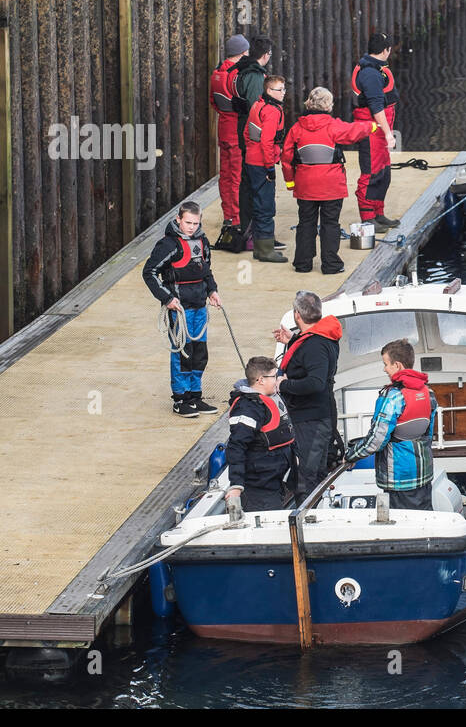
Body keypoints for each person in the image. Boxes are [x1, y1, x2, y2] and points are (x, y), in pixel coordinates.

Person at [280, 87, 377, 274]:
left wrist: (290, 181)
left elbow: (286, 157)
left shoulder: (297, 128)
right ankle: (331, 265)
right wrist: (372, 126)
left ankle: (303, 264)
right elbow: (353, 131)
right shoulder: (333, 126)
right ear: (327, 105)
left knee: (305, 223)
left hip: (306, 184)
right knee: (330, 223)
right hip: (331, 185)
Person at [142, 201, 223, 417]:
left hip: (199, 306)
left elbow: (206, 270)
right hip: (179, 308)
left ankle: (195, 396)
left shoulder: (203, 241)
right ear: (179, 219)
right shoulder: (168, 245)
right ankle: (180, 399)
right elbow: (149, 272)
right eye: (188, 222)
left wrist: (212, 291)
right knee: (183, 353)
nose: (192, 227)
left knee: (199, 352)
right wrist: (167, 298)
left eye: (196, 223)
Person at [343, 338, 438, 511]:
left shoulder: (393, 397)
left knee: (402, 527)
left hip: (399, 478)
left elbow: (376, 440)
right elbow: (429, 433)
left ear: (398, 365)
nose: (384, 369)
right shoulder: (428, 393)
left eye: (386, 364)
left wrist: (351, 456)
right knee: (424, 523)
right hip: (424, 474)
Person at [272, 291, 343, 496]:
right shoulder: (321, 337)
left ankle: (308, 516)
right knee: (313, 472)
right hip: (315, 416)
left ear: (297, 315)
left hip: (311, 419)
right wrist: (293, 340)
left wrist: (284, 385)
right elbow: (311, 358)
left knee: (307, 475)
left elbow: (315, 382)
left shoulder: (315, 344)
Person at [230, 37, 283, 251]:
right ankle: (257, 237)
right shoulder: (255, 76)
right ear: (265, 54)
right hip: (255, 145)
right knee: (259, 191)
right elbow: (256, 113)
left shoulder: (243, 71)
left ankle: (255, 234)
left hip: (250, 139)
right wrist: (269, 162)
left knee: (251, 187)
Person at [225, 356, 298, 512]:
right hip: (259, 487)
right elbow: (236, 446)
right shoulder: (248, 407)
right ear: (260, 380)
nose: (277, 380)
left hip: (276, 481)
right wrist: (236, 485)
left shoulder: (272, 398)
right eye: (274, 376)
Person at [351, 32, 401, 229]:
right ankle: (367, 217)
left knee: (383, 172)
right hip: (371, 130)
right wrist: (389, 134)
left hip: (379, 130)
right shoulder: (370, 73)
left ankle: (378, 213)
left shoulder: (374, 67)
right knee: (370, 173)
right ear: (386, 50)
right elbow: (376, 107)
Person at [244, 74, 288, 263]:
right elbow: (267, 141)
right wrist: (270, 167)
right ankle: (266, 250)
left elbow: (247, 132)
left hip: (252, 160)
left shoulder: (257, 105)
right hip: (262, 163)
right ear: (269, 91)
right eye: (280, 90)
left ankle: (260, 247)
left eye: (284, 89)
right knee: (266, 206)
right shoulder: (272, 111)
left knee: (258, 203)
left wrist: (250, 151)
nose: (283, 93)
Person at [209, 34, 248, 238]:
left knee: (225, 176)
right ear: (242, 52)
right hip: (236, 132)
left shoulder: (216, 74)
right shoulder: (237, 76)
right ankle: (236, 218)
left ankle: (229, 215)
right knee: (236, 177)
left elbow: (213, 102)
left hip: (223, 129)